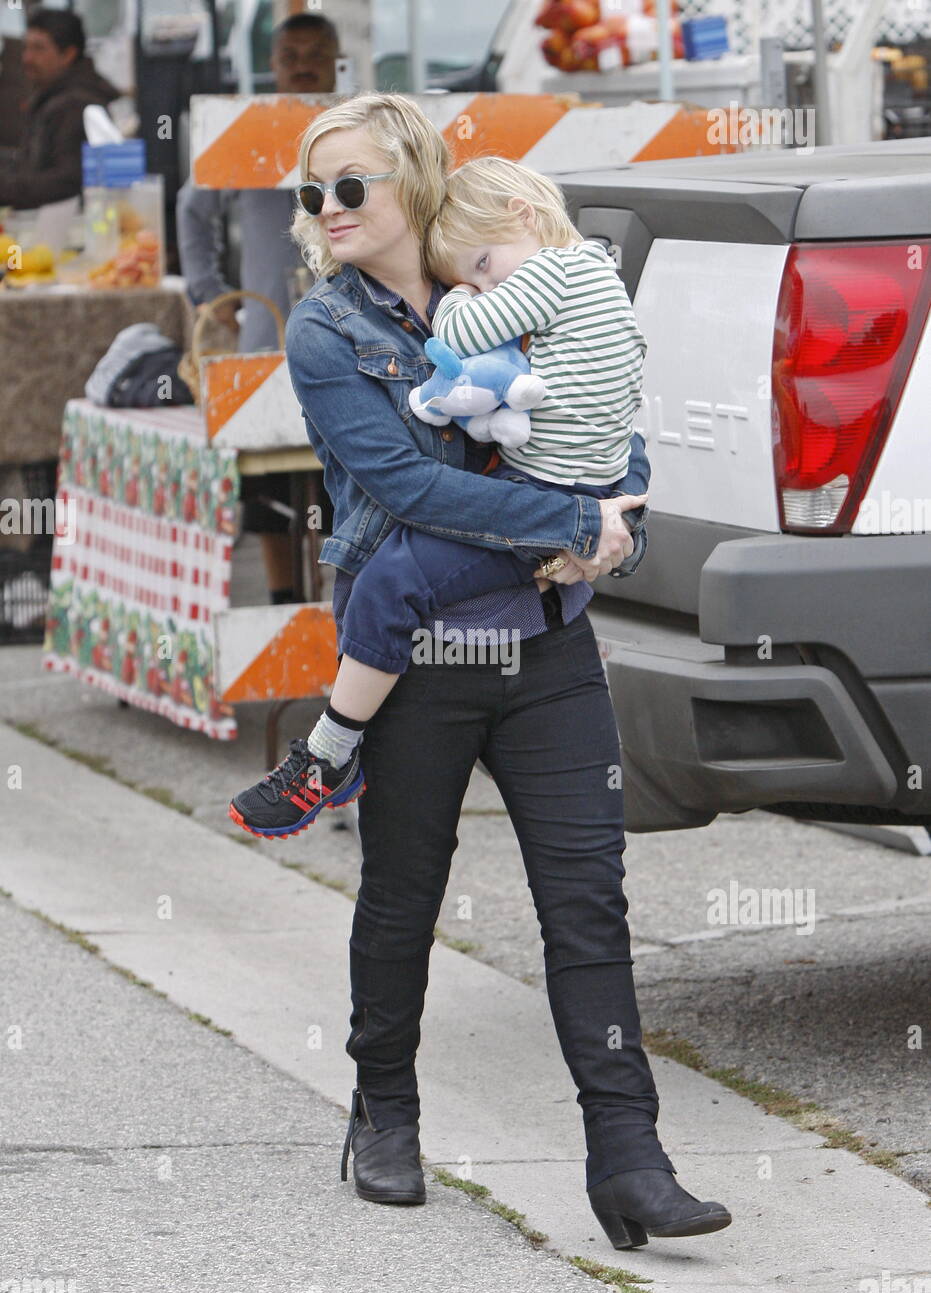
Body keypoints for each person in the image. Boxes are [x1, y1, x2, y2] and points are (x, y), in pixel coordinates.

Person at [229, 91, 731, 1250]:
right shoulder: (327, 330)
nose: (329, 209)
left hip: (549, 645)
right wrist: (569, 512)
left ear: (410, 179)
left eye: (351, 185)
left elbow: (610, 415)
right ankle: (386, 1111)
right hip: (416, 660)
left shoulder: (514, 280)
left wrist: (620, 515)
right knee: (404, 892)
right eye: (314, 193)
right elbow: (409, 491)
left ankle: (629, 1157)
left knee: (586, 900)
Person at [230, 155, 651, 834]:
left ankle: (327, 752)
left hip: (544, 526)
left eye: (483, 266)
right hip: (570, 497)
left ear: (523, 216)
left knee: (389, 584)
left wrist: (459, 299)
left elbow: (457, 340)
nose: (481, 286)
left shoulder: (550, 272)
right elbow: (619, 423)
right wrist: (593, 525)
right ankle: (328, 753)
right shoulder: (593, 277)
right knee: (552, 873)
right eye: (314, 193)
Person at [176, 11, 341, 604]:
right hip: (267, 337)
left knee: (346, 483)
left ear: (336, 61)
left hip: (351, 339)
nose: (301, 65)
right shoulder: (244, 132)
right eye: (289, 55)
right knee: (273, 489)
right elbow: (192, 208)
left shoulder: (358, 130)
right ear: (271, 65)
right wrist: (208, 292)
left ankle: (345, 611)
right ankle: (284, 604)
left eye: (314, 54)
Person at [0, 8, 121, 210]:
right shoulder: (52, 98)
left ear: (68, 54)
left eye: (39, 48)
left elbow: (67, 181)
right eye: (26, 48)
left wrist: (6, 189)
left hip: (67, 232)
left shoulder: (76, 106)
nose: (27, 58)